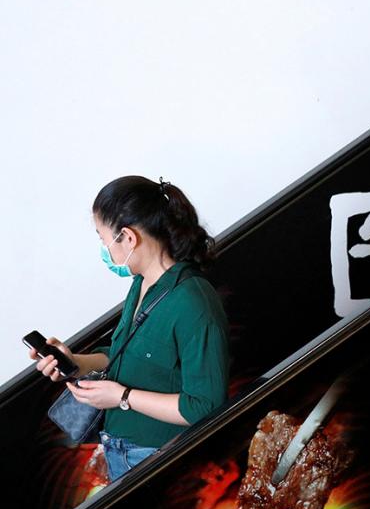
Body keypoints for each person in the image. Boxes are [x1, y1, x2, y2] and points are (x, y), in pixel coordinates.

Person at [31, 177, 230, 481]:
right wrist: (74, 361)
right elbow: (125, 355)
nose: (103, 250)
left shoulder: (193, 302)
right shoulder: (141, 284)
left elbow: (203, 406)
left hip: (157, 460)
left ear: (127, 237)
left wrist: (122, 397)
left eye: (103, 239)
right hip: (119, 450)